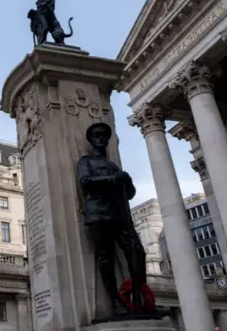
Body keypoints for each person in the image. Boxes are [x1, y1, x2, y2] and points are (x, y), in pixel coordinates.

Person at [76, 122, 146, 316]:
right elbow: (85, 182)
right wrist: (113, 180)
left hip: (119, 215)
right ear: (91, 141)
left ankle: (142, 298)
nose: (101, 140)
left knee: (137, 252)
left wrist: (127, 181)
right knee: (106, 258)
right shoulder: (86, 161)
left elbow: (130, 194)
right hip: (98, 213)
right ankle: (115, 302)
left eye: (104, 137)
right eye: (97, 137)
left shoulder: (114, 166)